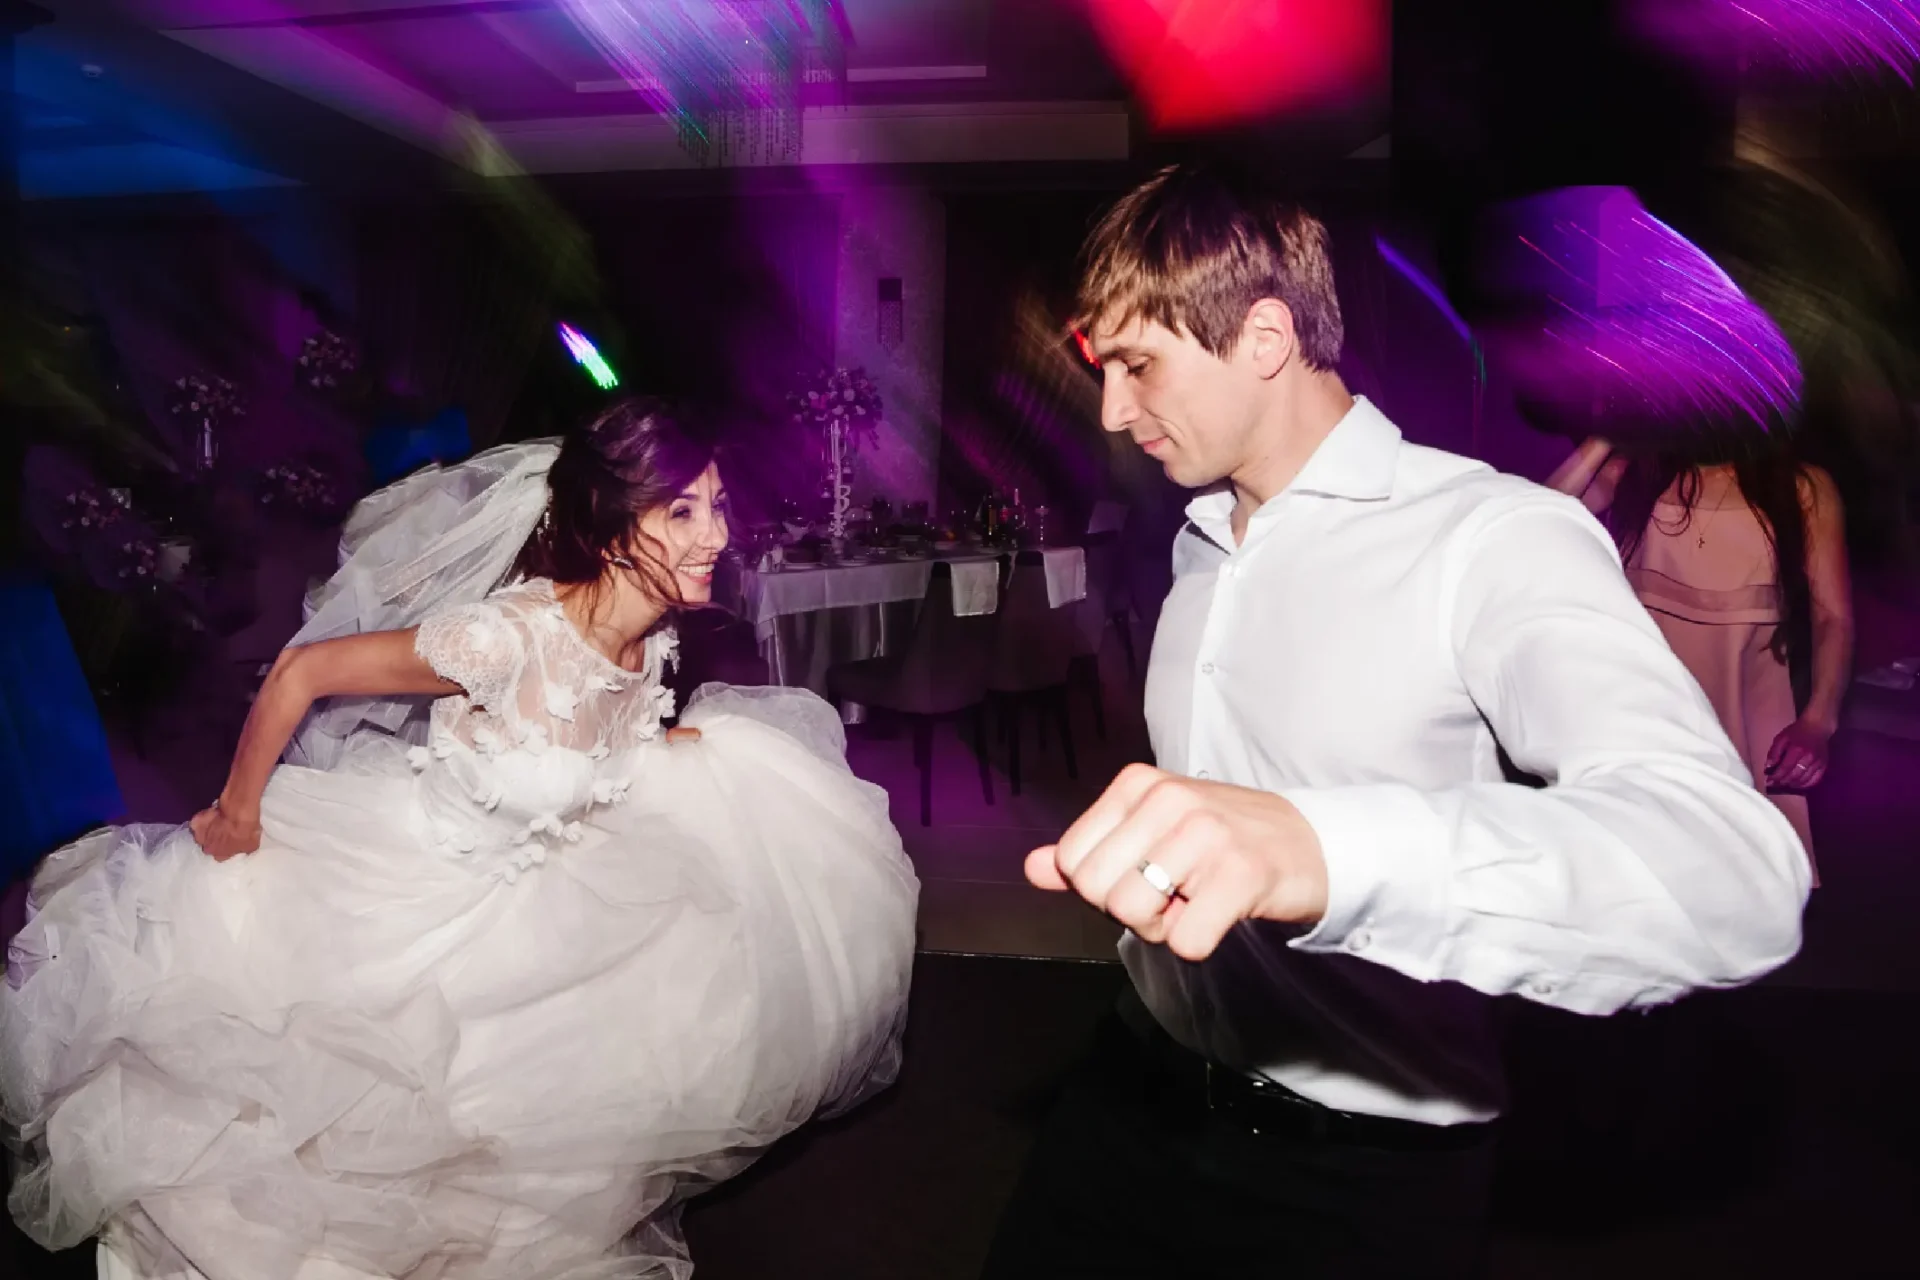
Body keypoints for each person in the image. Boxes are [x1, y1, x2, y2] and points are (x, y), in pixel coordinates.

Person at [981, 164, 1809, 1279]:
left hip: (1358, 1173)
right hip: (1136, 1086)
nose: (1116, 412)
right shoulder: (1197, 544)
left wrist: (1326, 848)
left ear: (1265, 336)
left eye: (1138, 365)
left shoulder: (1491, 535)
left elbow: (1732, 870)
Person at [1, 399, 918, 1280]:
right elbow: (302, 671)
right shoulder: (508, 633)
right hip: (416, 891)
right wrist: (237, 813)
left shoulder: (649, 641)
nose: (715, 534)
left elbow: (611, 737)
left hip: (539, 897)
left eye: (717, 505)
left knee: (548, 1115)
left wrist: (711, 753)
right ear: (608, 525)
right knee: (336, 1117)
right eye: (681, 511)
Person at [1547, 434, 1852, 881]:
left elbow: (1833, 617)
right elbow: (1537, 516)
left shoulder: (1800, 486)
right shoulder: (1634, 472)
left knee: (1739, 882)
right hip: (1645, 704)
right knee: (1635, 877)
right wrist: (1608, 436)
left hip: (1747, 710)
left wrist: (1818, 722)